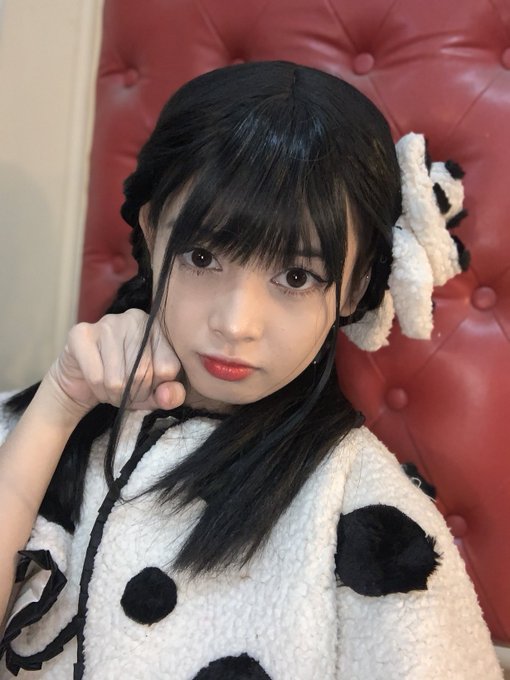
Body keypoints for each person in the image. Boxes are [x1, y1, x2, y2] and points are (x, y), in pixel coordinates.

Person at [0, 61, 503, 679]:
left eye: (296, 276)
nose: (237, 323)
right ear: (153, 233)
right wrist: (57, 405)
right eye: (202, 256)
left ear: (355, 287)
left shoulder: (369, 515)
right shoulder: (33, 426)